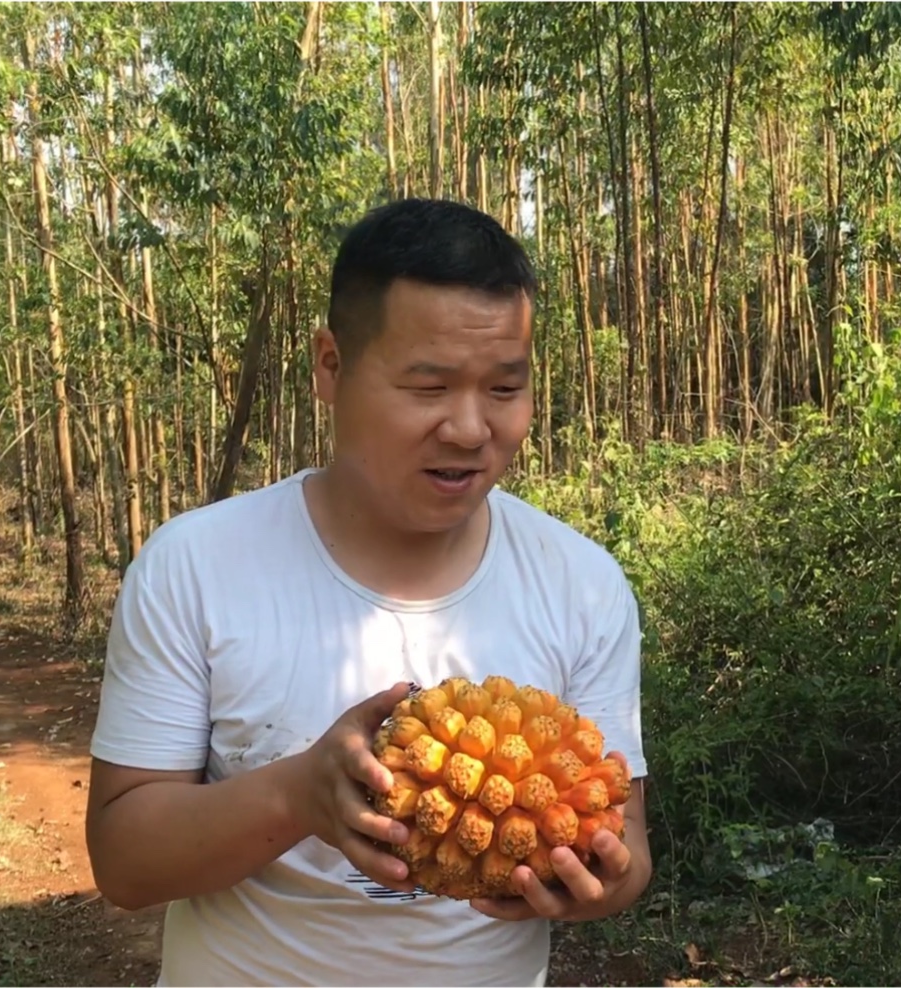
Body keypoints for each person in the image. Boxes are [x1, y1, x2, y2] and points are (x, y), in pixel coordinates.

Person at [84, 197, 651, 987]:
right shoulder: (196, 568)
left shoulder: (582, 587)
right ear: (331, 366)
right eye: (427, 387)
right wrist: (298, 797)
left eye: (503, 388)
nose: (467, 428)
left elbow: (628, 853)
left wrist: (587, 883)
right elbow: (124, 863)